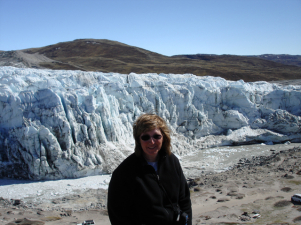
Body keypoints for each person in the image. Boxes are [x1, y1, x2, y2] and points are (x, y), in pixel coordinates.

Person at [108, 113, 192, 225]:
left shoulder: (172, 162)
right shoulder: (124, 172)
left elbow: (184, 200)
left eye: (156, 136)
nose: (152, 142)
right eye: (145, 137)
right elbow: (118, 215)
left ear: (164, 137)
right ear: (139, 140)